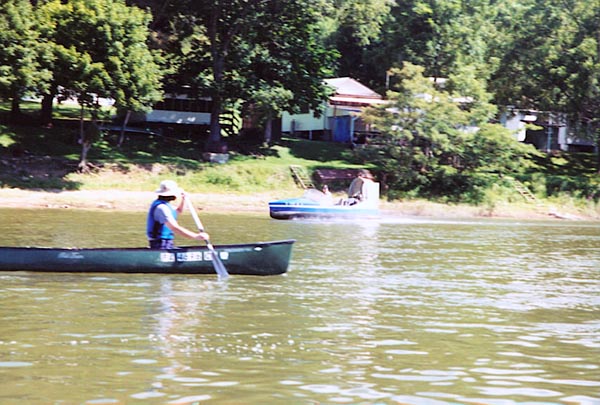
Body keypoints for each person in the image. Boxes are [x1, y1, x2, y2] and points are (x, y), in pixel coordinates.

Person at [146, 180, 209, 249]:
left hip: (166, 242)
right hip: (160, 243)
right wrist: (196, 236)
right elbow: (174, 227)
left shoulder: (165, 205)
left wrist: (183, 199)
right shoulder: (162, 208)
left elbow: (179, 211)